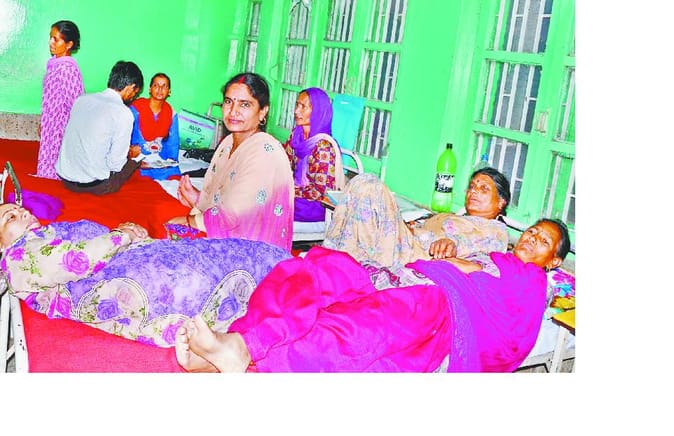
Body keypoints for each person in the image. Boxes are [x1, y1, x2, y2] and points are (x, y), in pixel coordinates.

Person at [174, 218, 570, 372]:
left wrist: (463, 277)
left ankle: (245, 351)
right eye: (532, 231)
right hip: (400, 276)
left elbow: (508, 336)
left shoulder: (536, 285)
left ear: (554, 260)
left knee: (356, 327)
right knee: (314, 268)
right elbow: (452, 265)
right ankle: (234, 344)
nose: (532, 238)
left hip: (437, 305)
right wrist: (453, 259)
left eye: (543, 241)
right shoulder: (496, 256)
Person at [0, 203, 291, 347]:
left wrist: (124, 234)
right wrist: (122, 236)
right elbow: (77, 261)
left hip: (143, 265)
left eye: (20, 209)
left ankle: (291, 277)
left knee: (231, 256)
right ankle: (293, 274)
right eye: (9, 217)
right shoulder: (17, 256)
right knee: (236, 261)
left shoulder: (35, 242)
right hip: (155, 280)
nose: (22, 213)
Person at [167, 72, 294, 251]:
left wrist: (190, 221)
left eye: (245, 104)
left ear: (262, 111)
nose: (233, 111)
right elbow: (223, 198)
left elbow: (234, 214)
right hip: (222, 237)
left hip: (250, 252)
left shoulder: (265, 151)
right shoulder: (228, 143)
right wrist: (198, 198)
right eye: (228, 102)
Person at [323, 167, 511, 271]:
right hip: (409, 239)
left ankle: (339, 264)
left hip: (416, 253)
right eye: (472, 187)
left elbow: (481, 244)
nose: (474, 192)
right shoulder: (457, 216)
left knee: (369, 185)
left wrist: (452, 243)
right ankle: (333, 259)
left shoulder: (495, 229)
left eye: (484, 189)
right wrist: (414, 227)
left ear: (501, 202)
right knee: (358, 187)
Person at [55, 60, 144, 195]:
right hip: (94, 185)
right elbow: (116, 165)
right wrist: (131, 154)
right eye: (135, 93)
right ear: (131, 87)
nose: (133, 97)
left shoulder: (82, 100)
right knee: (136, 159)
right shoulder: (123, 113)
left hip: (65, 178)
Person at [283, 87, 345, 222]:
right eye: (297, 105)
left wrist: (289, 190)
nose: (296, 111)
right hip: (296, 193)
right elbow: (283, 162)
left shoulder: (324, 147)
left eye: (303, 107)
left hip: (315, 205)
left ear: (317, 111)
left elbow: (320, 192)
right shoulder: (297, 135)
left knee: (275, 206)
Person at [35, 20, 84, 180]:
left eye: (56, 39)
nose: (51, 42)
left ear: (69, 44)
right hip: (51, 124)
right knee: (48, 168)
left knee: (58, 170)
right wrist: (45, 121)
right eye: (51, 37)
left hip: (62, 128)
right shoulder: (54, 65)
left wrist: (67, 130)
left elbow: (75, 103)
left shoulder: (68, 69)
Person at [129, 72, 181, 180]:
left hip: (160, 161)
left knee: (174, 176)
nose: (160, 89)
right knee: (133, 177)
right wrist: (129, 153)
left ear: (169, 91)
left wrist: (170, 161)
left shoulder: (172, 114)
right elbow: (124, 135)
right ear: (150, 89)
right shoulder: (135, 109)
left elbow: (173, 142)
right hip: (138, 159)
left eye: (164, 86)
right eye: (156, 85)